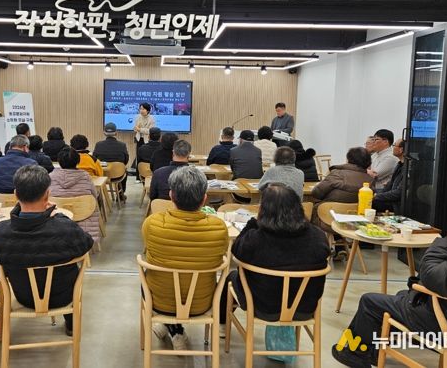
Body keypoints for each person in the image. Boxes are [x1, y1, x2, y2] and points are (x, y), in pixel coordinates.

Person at [332, 191, 447, 368]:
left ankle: (354, 354)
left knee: (370, 302)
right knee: (401, 297)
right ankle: (373, 347)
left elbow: (429, 273)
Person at [0, 165, 94, 337]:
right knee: (69, 265)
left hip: (24, 297)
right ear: (47, 194)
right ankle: (71, 323)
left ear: (16, 195)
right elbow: (87, 242)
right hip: (63, 298)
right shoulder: (66, 229)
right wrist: (57, 215)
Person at [142, 166, 229, 350]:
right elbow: (221, 255)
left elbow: (148, 252)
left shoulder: (152, 223)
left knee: (148, 275)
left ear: (171, 195)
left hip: (159, 302)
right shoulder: (219, 228)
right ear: (204, 199)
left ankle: (170, 326)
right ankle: (173, 329)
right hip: (202, 303)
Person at [219, 184, 329, 329]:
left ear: (263, 211)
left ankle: (221, 323)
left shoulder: (256, 239)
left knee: (231, 277)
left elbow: (236, 249)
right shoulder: (318, 237)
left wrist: (253, 222)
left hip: (263, 307)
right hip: (304, 308)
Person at [49, 147, 101, 244]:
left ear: (59, 161)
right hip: (84, 216)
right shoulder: (85, 176)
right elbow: (94, 196)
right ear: (77, 161)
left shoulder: (51, 176)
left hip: (58, 217)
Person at [93, 123, 130, 201]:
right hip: (118, 175)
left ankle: (99, 195)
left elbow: (94, 159)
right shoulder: (122, 145)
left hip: (102, 175)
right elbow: (125, 160)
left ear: (104, 133)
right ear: (116, 133)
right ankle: (120, 195)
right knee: (124, 170)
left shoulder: (98, 145)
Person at [373, 138, 405, 213]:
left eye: (394, 145)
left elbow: (398, 193)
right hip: (391, 198)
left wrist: (376, 196)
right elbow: (390, 185)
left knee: (371, 202)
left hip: (396, 204)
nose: (392, 147)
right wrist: (375, 194)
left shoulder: (408, 168)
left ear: (401, 150)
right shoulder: (400, 164)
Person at [134, 103, 156, 181]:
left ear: (148, 110)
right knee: (138, 158)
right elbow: (135, 128)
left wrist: (140, 129)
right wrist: (139, 129)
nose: (141, 110)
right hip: (139, 139)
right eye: (140, 109)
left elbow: (150, 131)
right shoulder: (137, 117)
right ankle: (138, 177)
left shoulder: (152, 119)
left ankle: (147, 176)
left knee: (147, 158)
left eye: (143, 109)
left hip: (147, 140)